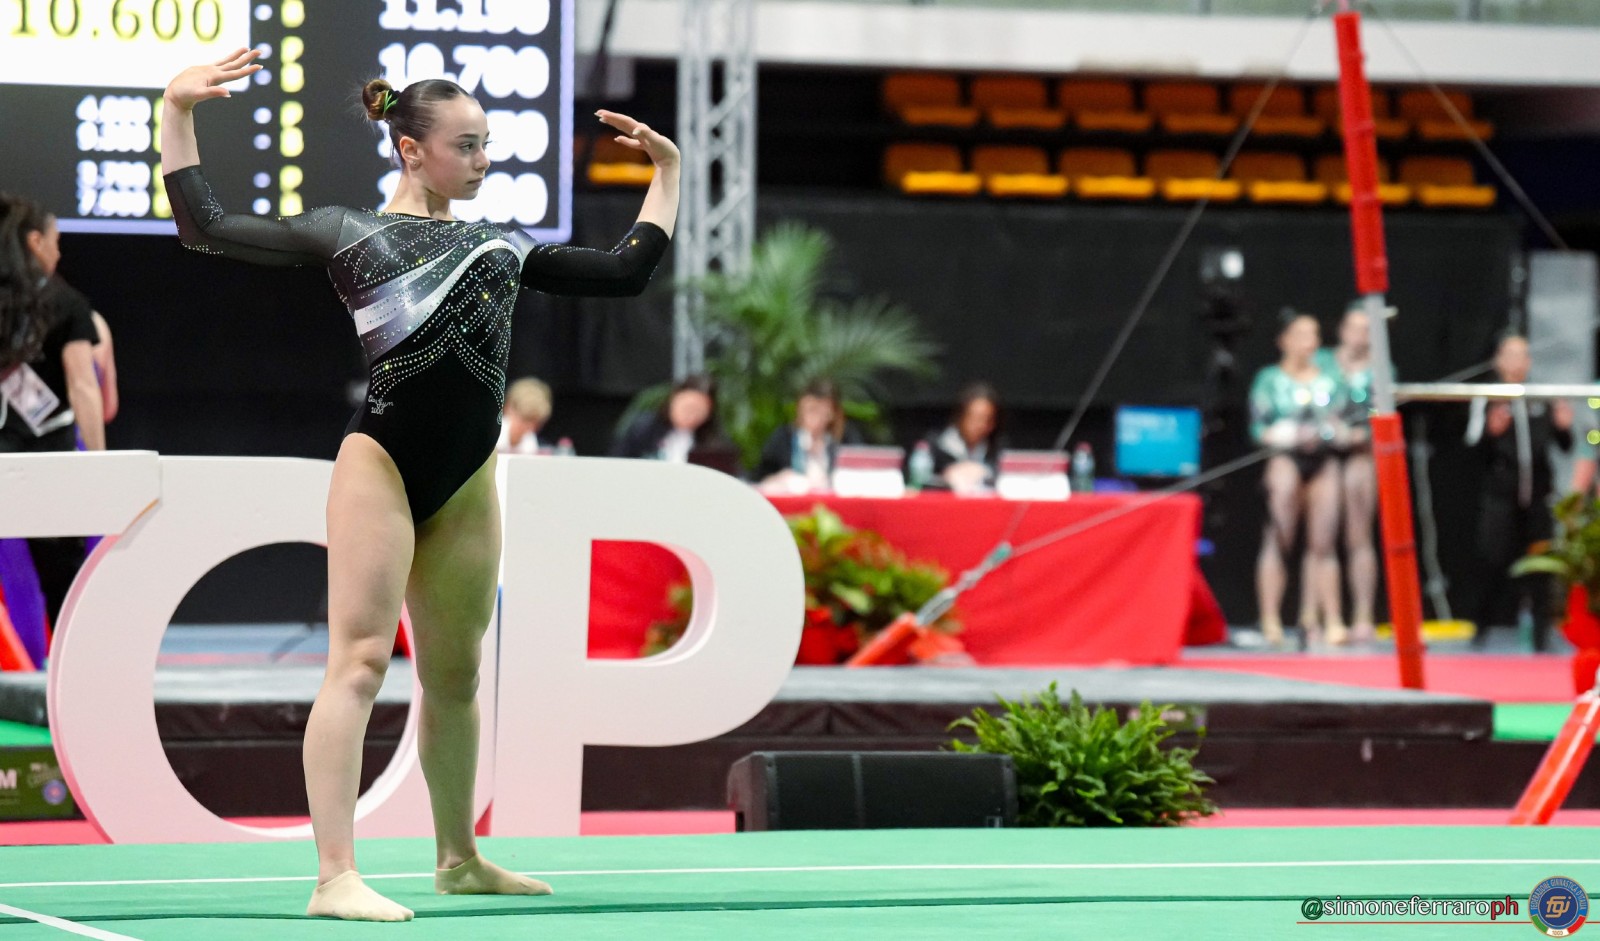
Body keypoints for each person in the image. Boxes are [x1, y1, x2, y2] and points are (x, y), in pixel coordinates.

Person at [160, 49, 677, 920]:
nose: (484, 160)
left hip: (468, 476)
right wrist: (176, 112)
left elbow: (624, 271)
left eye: (486, 144)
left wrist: (667, 172)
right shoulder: (351, 232)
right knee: (360, 662)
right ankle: (334, 876)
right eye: (467, 146)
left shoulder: (501, 244)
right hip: (383, 465)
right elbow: (204, 225)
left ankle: (458, 857)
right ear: (411, 149)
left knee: (458, 675)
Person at [0, 193, 106, 625]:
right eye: (56, 241)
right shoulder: (67, 303)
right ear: (35, 242)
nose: (59, 252)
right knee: (63, 578)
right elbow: (84, 386)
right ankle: (70, 662)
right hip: (50, 460)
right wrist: (101, 466)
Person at [1465, 333, 1571, 650]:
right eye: (1510, 354)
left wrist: (1564, 427)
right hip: (1501, 498)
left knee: (1541, 567)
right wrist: (1491, 432)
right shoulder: (1487, 396)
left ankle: (1541, 635)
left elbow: (1565, 445)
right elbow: (1471, 448)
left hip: (1537, 498)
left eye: (1522, 355)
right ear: (1498, 360)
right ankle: (1480, 628)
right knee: (1492, 561)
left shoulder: (1540, 395)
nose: (1516, 361)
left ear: (1529, 361)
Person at [1250, 309, 1348, 648]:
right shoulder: (1268, 379)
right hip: (1286, 457)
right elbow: (1258, 426)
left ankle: (1326, 617)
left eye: (1315, 335)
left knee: (1323, 543)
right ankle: (1270, 618)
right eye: (1302, 335)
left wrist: (1334, 432)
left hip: (1323, 459)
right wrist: (1283, 434)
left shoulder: (1331, 379)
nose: (1311, 342)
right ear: (1284, 340)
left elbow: (1351, 417)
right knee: (1279, 539)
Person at [1300, 303, 1386, 645]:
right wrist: (1325, 428)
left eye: (1366, 330)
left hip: (1361, 452)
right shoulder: (1322, 362)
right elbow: (1306, 400)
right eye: (1354, 327)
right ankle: (1316, 615)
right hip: (1323, 455)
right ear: (1342, 330)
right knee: (1320, 538)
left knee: (1358, 536)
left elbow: (1383, 413)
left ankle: (1363, 615)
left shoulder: (1380, 367)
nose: (1359, 335)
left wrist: (1359, 435)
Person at [757, 378, 854, 492]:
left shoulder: (844, 440)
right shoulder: (783, 438)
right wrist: (781, 478)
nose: (816, 417)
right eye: (811, 409)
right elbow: (759, 479)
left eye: (823, 411)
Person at [919, 381, 1004, 494]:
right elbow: (920, 482)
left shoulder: (998, 447)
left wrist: (984, 471)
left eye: (988, 419)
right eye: (976, 418)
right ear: (961, 416)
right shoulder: (936, 444)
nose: (981, 425)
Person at [610, 374, 719, 461]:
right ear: (674, 399)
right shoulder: (644, 428)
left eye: (698, 411)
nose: (690, 415)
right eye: (687, 407)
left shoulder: (710, 442)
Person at [496, 377, 551, 455]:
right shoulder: (493, 435)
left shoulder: (530, 440)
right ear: (509, 408)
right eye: (525, 419)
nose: (530, 428)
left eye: (536, 423)